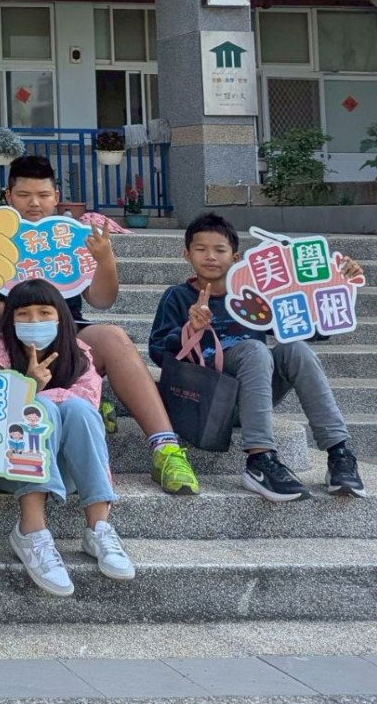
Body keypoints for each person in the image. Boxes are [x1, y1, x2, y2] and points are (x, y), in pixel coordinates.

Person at [0, 155, 202, 499]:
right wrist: (17, 313)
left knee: (113, 337)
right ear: (8, 196)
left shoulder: (72, 238)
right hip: (0, 333)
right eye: (24, 195)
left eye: (43, 195)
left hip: (67, 331)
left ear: (56, 196)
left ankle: (166, 448)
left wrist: (105, 260)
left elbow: (102, 299)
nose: (34, 203)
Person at [149, 213, 364, 502]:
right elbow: (157, 350)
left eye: (220, 250)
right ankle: (260, 460)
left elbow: (309, 327)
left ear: (236, 257)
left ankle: (339, 453)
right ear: (186, 254)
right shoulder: (177, 296)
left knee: (296, 348)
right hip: (204, 401)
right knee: (253, 349)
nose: (210, 256)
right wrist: (190, 330)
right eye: (201, 249)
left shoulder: (254, 296)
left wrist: (339, 284)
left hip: (251, 397)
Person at [0, 280, 133, 595]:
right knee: (40, 407)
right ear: (10, 319)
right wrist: (27, 388)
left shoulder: (79, 355)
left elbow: (87, 407)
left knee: (77, 408)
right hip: (8, 469)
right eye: (24, 314)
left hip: (68, 471)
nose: (34, 321)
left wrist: (42, 394)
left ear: (60, 315)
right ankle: (31, 531)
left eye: (44, 312)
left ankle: (99, 528)